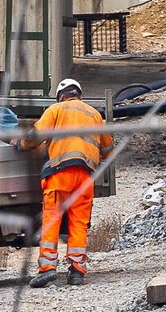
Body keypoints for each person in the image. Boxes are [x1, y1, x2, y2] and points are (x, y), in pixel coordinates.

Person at [18, 78, 113, 288]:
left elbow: (36, 136)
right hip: (85, 176)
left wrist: (20, 144)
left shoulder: (56, 109)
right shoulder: (94, 114)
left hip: (59, 173)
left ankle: (47, 269)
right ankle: (77, 272)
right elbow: (108, 148)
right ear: (78, 93)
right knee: (78, 223)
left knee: (52, 220)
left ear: (61, 95)